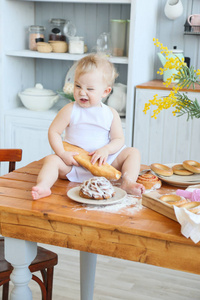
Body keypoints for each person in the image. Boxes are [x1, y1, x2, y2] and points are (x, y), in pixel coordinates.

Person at [31, 53, 145, 200]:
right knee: (50, 160)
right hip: (74, 165)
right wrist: (62, 154)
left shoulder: (110, 113)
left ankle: (128, 182)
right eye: (78, 86)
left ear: (105, 91)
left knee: (133, 152)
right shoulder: (70, 110)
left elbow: (118, 139)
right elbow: (54, 131)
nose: (81, 92)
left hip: (105, 162)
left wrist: (106, 150)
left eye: (90, 89)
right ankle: (43, 186)